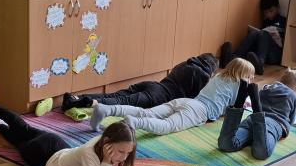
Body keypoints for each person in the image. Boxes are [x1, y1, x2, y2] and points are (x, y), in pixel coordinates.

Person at [0, 97, 136, 166]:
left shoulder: (102, 142)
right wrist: (108, 163)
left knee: (24, 129)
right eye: (121, 151)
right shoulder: (90, 153)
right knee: (18, 140)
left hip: (56, 145)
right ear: (107, 142)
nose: (124, 157)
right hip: (46, 160)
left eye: (128, 153)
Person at [89, 58, 256, 136]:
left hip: (186, 101)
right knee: (168, 125)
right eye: (250, 76)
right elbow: (236, 106)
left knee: (146, 112)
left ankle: (107, 109)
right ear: (243, 75)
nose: (251, 80)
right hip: (199, 111)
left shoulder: (219, 76)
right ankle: (135, 123)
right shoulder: (238, 84)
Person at [61, 53, 218, 112]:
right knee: (122, 102)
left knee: (115, 95)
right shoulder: (203, 76)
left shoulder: (187, 63)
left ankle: (76, 97)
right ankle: (88, 103)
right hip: (159, 97)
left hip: (153, 85)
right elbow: (195, 101)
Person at [218, 68, 296, 160]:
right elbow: (291, 121)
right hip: (272, 125)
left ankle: (240, 101)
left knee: (225, 144)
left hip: (251, 121)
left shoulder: (267, 88)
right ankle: (258, 112)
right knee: (261, 153)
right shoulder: (293, 95)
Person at [220, 0, 288, 74]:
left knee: (264, 34)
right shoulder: (266, 21)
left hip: (275, 54)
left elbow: (287, 45)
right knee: (255, 33)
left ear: (278, 7)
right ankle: (232, 59)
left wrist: (279, 39)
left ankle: (260, 64)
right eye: (266, 12)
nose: (269, 14)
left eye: (271, 11)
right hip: (263, 53)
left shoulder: (284, 21)